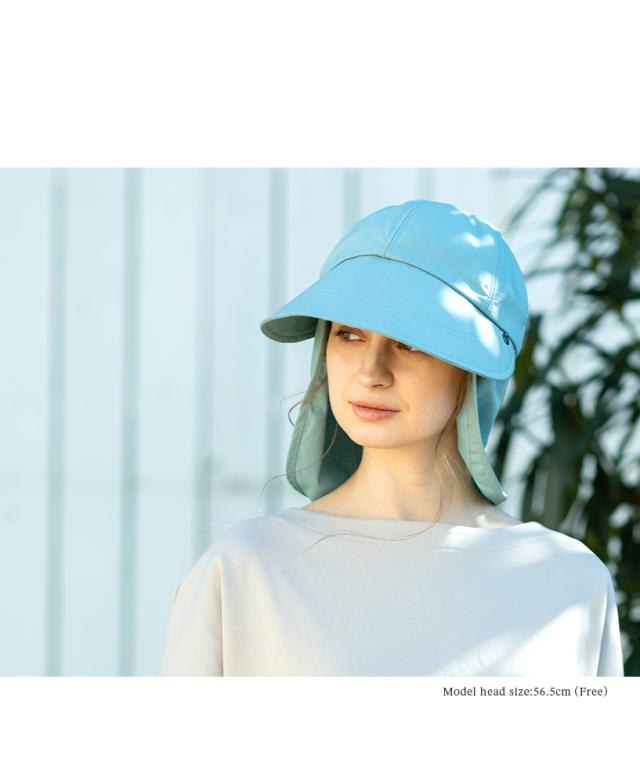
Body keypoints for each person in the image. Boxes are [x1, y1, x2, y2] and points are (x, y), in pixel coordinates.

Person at [159, 197, 624, 677]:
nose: (371, 372)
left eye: (411, 342)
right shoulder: (246, 569)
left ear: (477, 371)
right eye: (349, 334)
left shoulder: (567, 581)